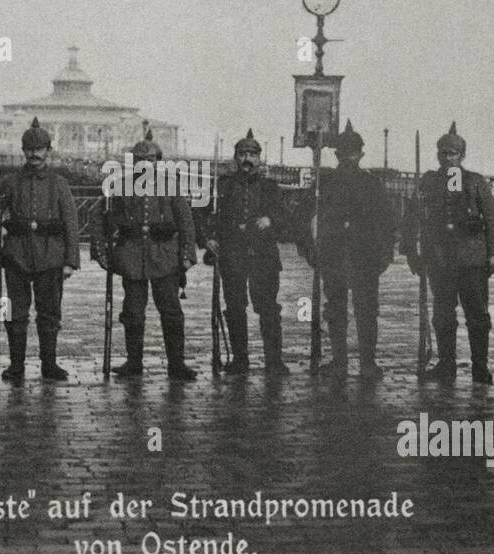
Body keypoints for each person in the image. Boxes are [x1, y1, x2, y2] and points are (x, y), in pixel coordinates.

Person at [93, 130, 198, 382]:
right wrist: (101, 250)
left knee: (171, 311)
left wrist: (186, 255)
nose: (145, 164)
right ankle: (134, 362)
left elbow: (186, 223)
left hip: (164, 257)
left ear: (158, 162)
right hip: (131, 257)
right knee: (132, 311)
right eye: (140, 159)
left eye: (150, 159)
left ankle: (176, 364)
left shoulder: (171, 187)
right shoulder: (120, 187)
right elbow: (98, 218)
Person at [404, 122, 494, 383]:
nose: (447, 158)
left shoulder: (474, 182)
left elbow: (493, 219)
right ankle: (446, 365)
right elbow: (412, 217)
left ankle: (480, 367)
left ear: (462, 156)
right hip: (440, 259)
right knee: (443, 315)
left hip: (471, 259)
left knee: (477, 316)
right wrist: (411, 253)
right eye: (443, 154)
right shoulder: (428, 182)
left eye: (452, 154)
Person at [298, 121, 397, 378]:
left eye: (353, 153)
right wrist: (309, 250)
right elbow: (301, 217)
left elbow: (388, 222)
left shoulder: (372, 184)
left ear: (360, 155)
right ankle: (339, 362)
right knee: (336, 309)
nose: (349, 158)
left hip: (365, 258)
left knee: (366, 310)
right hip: (333, 255)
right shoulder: (324, 182)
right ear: (337, 155)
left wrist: (384, 255)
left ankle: (367, 363)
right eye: (345, 154)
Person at [0, 117, 80, 383]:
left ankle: (49, 364)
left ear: (49, 151)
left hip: (50, 255)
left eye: (40, 149)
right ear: (23, 151)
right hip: (16, 255)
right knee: (12, 311)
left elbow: (71, 223)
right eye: (29, 149)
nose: (34, 154)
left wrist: (70, 260)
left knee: (49, 313)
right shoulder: (10, 182)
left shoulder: (59, 183)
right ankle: (16, 365)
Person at [205, 129, 289, 376]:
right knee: (234, 307)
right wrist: (208, 238)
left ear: (259, 158)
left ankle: (274, 361)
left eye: (252, 154)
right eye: (242, 154)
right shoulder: (222, 187)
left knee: (268, 309)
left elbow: (286, 217)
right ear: (235, 157)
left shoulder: (271, 187)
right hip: (232, 256)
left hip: (264, 256)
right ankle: (240, 360)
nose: (247, 159)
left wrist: (270, 219)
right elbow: (206, 215)